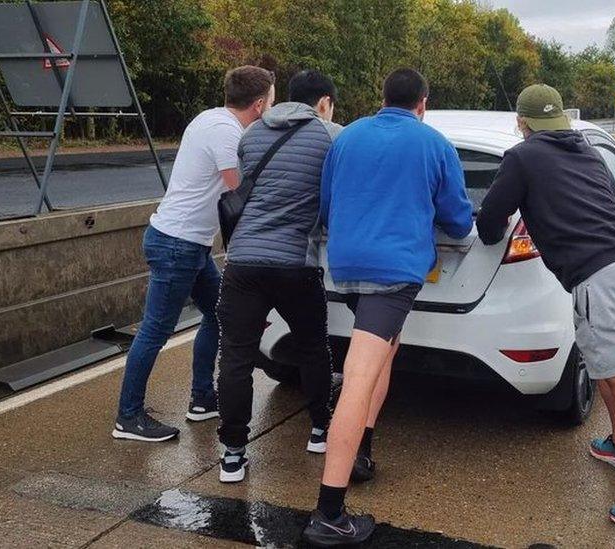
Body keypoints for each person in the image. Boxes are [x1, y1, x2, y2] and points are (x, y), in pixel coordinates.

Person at [476, 84, 615, 532]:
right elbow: (609, 201)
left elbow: (490, 221)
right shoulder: (587, 150)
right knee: (608, 368)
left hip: (600, 279)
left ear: (523, 123)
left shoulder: (521, 157)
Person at [302, 68, 473, 545]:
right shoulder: (433, 144)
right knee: (358, 375)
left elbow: (327, 203)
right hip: (392, 274)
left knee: (383, 355)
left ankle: (363, 451)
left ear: (383, 97)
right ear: (423, 103)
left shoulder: (349, 136)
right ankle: (329, 514)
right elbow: (458, 221)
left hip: (348, 262)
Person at [112, 66, 275, 442]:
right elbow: (240, 193)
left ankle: (202, 399)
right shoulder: (226, 134)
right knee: (155, 330)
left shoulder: (210, 118)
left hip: (188, 243)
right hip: (177, 244)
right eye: (272, 98)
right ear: (259, 104)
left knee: (218, 315)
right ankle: (128, 417)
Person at [215, 70, 342, 483]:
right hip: (295, 263)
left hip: (244, 262)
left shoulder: (251, 135)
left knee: (235, 356)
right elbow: (330, 198)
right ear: (322, 103)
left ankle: (232, 455)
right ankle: (320, 430)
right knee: (312, 347)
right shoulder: (328, 137)